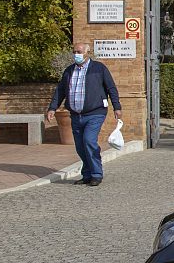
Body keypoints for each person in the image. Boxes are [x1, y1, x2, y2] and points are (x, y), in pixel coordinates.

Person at [46, 42, 122, 187]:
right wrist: (52, 108)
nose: (76, 55)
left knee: (89, 141)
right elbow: (60, 91)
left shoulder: (99, 69)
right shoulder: (69, 71)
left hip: (95, 113)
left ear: (87, 53)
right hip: (75, 115)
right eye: (74, 52)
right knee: (80, 146)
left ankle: (96, 174)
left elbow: (111, 88)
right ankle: (87, 174)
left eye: (79, 52)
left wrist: (117, 107)